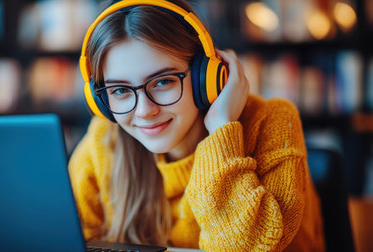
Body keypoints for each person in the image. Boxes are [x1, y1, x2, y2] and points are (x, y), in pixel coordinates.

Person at [68, 0, 325, 251]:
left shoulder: (271, 121)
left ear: (207, 77)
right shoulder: (104, 140)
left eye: (162, 82)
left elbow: (244, 246)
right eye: (120, 90)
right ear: (100, 100)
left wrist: (221, 128)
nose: (145, 111)